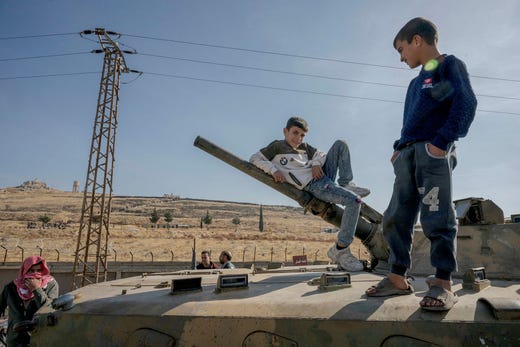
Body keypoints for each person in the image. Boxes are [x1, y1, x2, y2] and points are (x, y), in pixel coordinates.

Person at [366, 18, 477, 311]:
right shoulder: (416, 83)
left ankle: (442, 282)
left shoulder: (448, 65)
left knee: (437, 216)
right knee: (395, 217)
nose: (401, 57)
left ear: (417, 40)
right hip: (408, 154)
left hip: (433, 153)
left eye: (401, 49)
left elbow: (466, 104)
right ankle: (397, 277)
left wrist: (441, 143)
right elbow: (409, 124)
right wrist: (398, 149)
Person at [250, 116, 370, 272]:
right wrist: (273, 170)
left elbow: (320, 154)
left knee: (341, 144)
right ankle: (341, 249)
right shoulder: (277, 147)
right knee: (354, 201)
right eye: (295, 133)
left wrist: (315, 163)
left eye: (302, 135)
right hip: (314, 185)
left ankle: (346, 183)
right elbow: (254, 158)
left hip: (321, 174)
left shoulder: (305, 147)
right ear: (285, 131)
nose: (298, 138)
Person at [0, 256, 59, 346]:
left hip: (39, 338)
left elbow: (49, 309)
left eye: (38, 270)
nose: (35, 274)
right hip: (15, 339)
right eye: (31, 271)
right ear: (25, 271)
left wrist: (37, 289)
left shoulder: (50, 285)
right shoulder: (11, 287)